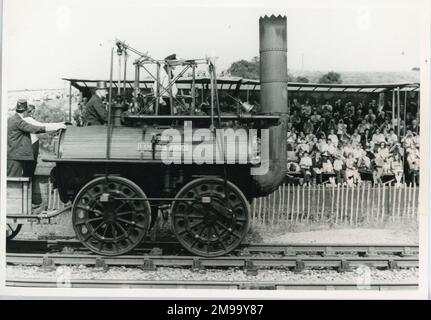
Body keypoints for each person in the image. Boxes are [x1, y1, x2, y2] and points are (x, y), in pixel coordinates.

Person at [7, 99, 63, 177]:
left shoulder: (11, 119)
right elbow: (34, 128)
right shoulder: (19, 121)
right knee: (14, 181)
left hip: (14, 154)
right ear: (26, 111)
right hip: (17, 155)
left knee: (14, 179)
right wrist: (58, 126)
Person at [22, 104, 66, 178]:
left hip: (30, 148)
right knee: (29, 172)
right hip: (30, 148)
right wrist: (60, 125)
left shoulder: (26, 120)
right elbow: (42, 126)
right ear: (32, 111)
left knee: (29, 171)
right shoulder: (28, 120)